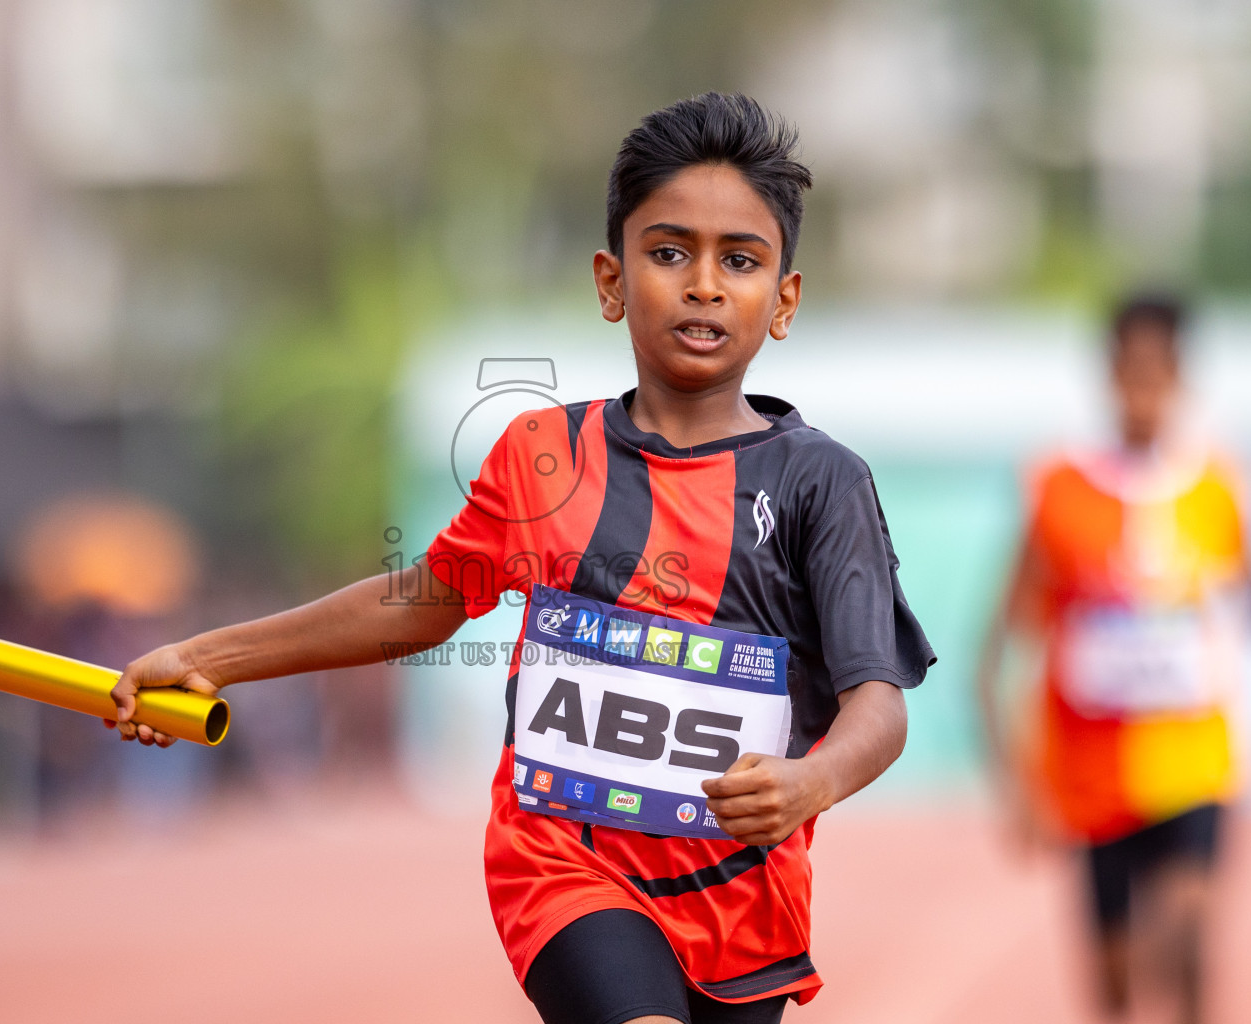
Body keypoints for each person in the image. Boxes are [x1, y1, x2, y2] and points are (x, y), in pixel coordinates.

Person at [109, 93, 935, 1024]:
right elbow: (421, 601)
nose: (703, 283)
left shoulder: (823, 482)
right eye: (668, 253)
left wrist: (811, 782)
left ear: (782, 297)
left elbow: (880, 705)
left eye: (738, 261)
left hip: (742, 895)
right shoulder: (543, 456)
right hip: (563, 868)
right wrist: (212, 658)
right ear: (611, 280)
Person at [976, 295, 1251, 1024]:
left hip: (1194, 760)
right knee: (1117, 987)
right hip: (1091, 776)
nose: (1145, 388)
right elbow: (1000, 641)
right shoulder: (1060, 487)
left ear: (1182, 377)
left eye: (1161, 371)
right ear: (1110, 373)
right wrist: (1013, 779)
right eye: (1132, 370)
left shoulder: (1220, 485)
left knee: (1187, 942)